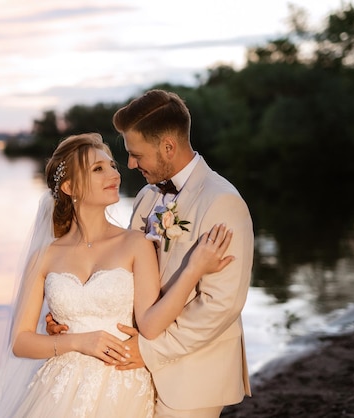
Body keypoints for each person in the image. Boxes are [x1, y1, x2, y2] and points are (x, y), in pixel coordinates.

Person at [0, 132, 234, 418]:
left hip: (122, 384)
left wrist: (193, 269)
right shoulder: (45, 255)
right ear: (69, 187)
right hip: (59, 388)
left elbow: (150, 324)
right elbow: (21, 341)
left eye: (112, 165)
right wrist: (77, 341)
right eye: (98, 169)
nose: (113, 174)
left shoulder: (135, 243)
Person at [113, 89, 254, 418]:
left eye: (137, 154)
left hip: (193, 376)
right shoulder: (147, 197)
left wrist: (149, 351)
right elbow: (126, 270)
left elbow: (221, 305)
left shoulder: (222, 202)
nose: (131, 164)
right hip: (138, 370)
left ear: (167, 147)